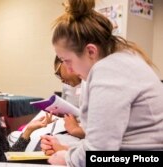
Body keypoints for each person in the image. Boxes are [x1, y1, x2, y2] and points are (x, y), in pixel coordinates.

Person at [40, 0, 163, 166]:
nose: (68, 69)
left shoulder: (108, 70)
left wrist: (67, 158)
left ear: (91, 51)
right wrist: (70, 151)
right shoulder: (124, 59)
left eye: (66, 60)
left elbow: (100, 152)